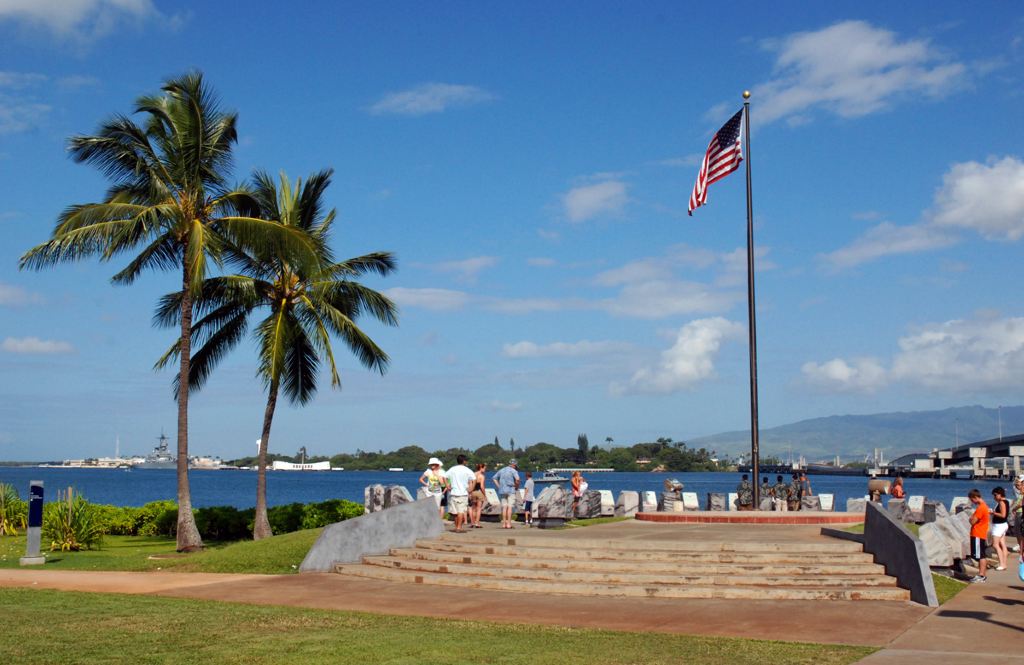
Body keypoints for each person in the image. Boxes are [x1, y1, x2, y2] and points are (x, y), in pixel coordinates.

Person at [444, 454, 476, 533]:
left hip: (453, 493)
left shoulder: (452, 469)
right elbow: (474, 479)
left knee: (455, 512)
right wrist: (471, 488)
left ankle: (456, 526)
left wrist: (447, 485)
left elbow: (444, 476)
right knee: (461, 511)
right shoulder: (467, 470)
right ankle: (459, 527)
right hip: (463, 493)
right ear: (464, 461)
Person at [967, 488, 990, 583]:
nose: (971, 502)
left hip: (978, 534)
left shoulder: (981, 508)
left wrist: (971, 518)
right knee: (981, 555)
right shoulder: (984, 506)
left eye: (972, 499)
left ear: (975, 497)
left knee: (980, 556)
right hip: (980, 534)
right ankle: (982, 575)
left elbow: (972, 521)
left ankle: (981, 575)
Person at [492, 459, 521, 529]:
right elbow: (517, 479)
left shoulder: (501, 470)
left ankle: (504, 523)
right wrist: (516, 486)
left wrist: (499, 486)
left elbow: (494, 478)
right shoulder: (514, 471)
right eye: (516, 466)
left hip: (502, 491)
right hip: (511, 490)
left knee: (504, 507)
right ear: (514, 465)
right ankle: (509, 524)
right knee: (510, 507)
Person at [990, 487, 1010, 572]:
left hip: (999, 525)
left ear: (999, 494)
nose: (994, 497)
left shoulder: (1002, 502)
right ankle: (1003, 563)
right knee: (1002, 544)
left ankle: (1002, 564)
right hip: (1002, 525)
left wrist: (992, 512)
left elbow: (1003, 515)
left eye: (995, 495)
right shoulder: (1005, 501)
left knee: (995, 545)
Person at [469, 462, 488, 528]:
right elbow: (482, 486)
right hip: (479, 492)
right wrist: (485, 494)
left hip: (473, 492)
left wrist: (470, 492)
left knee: (473, 508)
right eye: (484, 468)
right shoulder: (481, 476)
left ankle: (472, 522)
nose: (485, 470)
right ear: (481, 468)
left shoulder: (472, 474)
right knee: (479, 508)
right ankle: (477, 523)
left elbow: (470, 484)